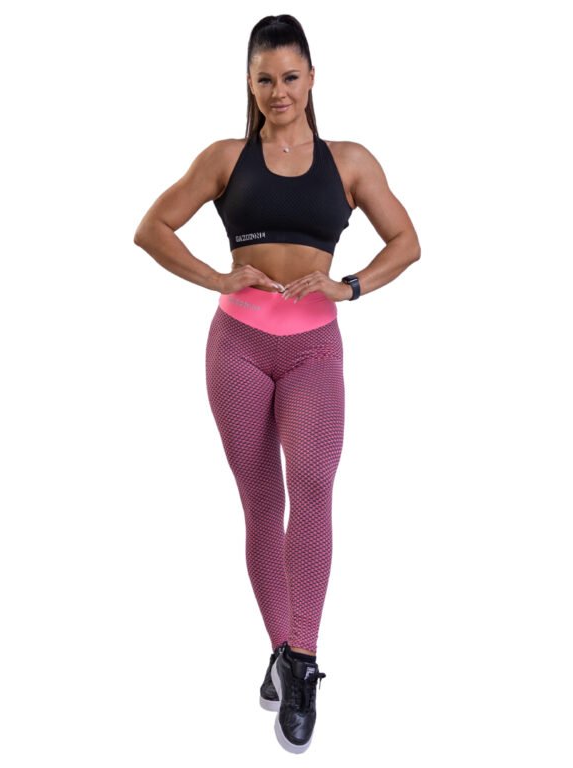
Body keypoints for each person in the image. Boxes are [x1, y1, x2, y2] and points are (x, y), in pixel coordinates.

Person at [133, 14, 420, 753]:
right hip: (237, 347)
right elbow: (152, 229)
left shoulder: (349, 161)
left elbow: (408, 241)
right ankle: (282, 649)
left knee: (314, 487)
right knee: (262, 503)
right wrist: (216, 277)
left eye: (291, 76)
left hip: (313, 349)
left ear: (312, 79)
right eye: (265, 79)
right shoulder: (225, 158)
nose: (279, 91)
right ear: (249, 83)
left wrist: (349, 287)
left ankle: (303, 659)